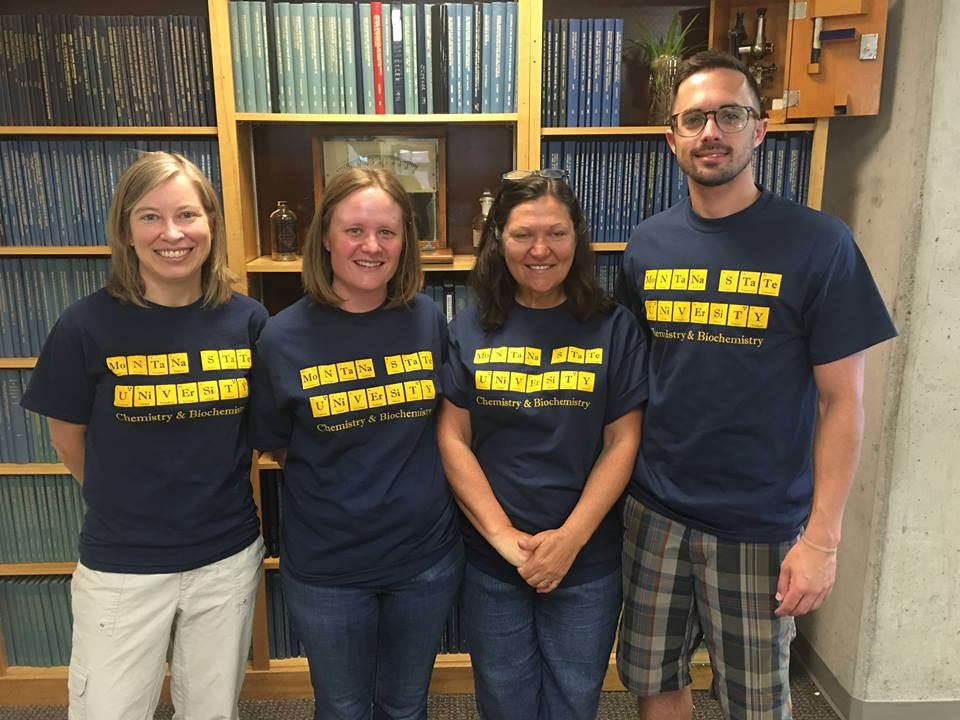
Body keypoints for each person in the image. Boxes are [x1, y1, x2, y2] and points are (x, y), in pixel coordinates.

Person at [614, 50, 897, 720]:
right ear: (672, 139)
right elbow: (640, 380)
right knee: (655, 681)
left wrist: (821, 540)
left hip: (762, 525)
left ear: (759, 130)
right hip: (655, 512)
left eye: (730, 115)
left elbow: (842, 402)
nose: (711, 131)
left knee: (757, 702)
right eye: (694, 119)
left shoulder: (819, 245)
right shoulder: (645, 246)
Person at [20, 151, 267, 719]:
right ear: (126, 231)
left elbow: (257, 433)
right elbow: (68, 442)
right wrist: (131, 505)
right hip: (122, 566)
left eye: (187, 214)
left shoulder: (249, 322)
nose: (172, 233)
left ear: (211, 224)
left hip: (224, 558)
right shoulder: (84, 325)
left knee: (211, 712)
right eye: (150, 217)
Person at [248, 166, 462, 720]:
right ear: (324, 236)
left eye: (387, 232)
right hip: (328, 567)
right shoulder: (281, 336)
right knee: (342, 707)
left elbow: (444, 426)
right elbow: (278, 443)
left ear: (405, 244)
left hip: (425, 561)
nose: (372, 246)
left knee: (406, 704)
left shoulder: (429, 321)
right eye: (354, 230)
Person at [437, 171, 647, 720]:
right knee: (502, 699)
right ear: (497, 240)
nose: (539, 250)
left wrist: (570, 540)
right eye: (521, 234)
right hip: (491, 558)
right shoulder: (468, 327)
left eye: (555, 233)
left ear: (577, 238)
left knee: (573, 700)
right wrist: (505, 538)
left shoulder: (613, 327)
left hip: (587, 558)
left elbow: (623, 440)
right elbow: (453, 438)